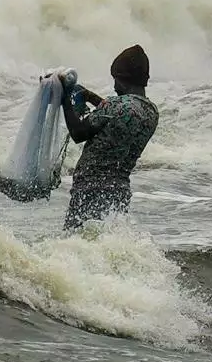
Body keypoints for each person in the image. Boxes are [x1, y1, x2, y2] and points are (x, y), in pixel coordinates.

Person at [59, 45, 160, 230]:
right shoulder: (151, 112)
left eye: (116, 79)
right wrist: (89, 96)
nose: (114, 86)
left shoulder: (116, 106)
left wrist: (65, 98)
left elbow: (78, 132)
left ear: (124, 79)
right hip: (119, 191)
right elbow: (117, 117)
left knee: (77, 243)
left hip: (90, 190)